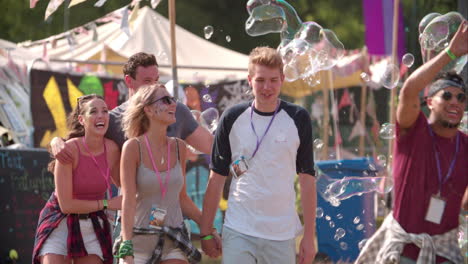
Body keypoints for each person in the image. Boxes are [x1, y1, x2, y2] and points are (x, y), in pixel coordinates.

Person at [356, 21, 468, 264]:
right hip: (403, 252)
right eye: (446, 95)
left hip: (444, 254)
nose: (455, 102)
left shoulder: (465, 145)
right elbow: (409, 89)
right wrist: (451, 52)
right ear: (429, 102)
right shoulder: (413, 130)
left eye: (461, 97)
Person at [200, 46, 317, 264]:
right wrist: (206, 232)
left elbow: (307, 179)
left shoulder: (298, 118)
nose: (267, 87)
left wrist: (308, 236)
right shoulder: (232, 117)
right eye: (260, 80)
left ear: (282, 79)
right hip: (239, 229)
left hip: (281, 233)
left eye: (273, 80)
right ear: (249, 80)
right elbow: (216, 178)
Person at [50, 52, 213, 164]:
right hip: (133, 207)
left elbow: (212, 145)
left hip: (172, 208)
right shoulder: (112, 119)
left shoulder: (176, 111)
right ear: (129, 81)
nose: (154, 87)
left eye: (156, 80)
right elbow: (75, 142)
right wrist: (56, 141)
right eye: (147, 81)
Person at [115, 83, 211, 264]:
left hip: (173, 239)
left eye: (173, 99)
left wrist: (208, 229)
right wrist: (126, 243)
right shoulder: (133, 147)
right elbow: (127, 199)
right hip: (139, 241)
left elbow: (182, 198)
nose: (173, 104)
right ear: (149, 110)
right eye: (166, 100)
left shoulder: (179, 147)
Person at [32, 94, 122, 264]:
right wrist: (107, 204)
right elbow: (66, 206)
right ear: (81, 119)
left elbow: (123, 184)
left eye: (104, 111)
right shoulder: (69, 150)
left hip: (93, 225)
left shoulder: (112, 149)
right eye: (93, 112)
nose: (101, 115)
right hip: (61, 223)